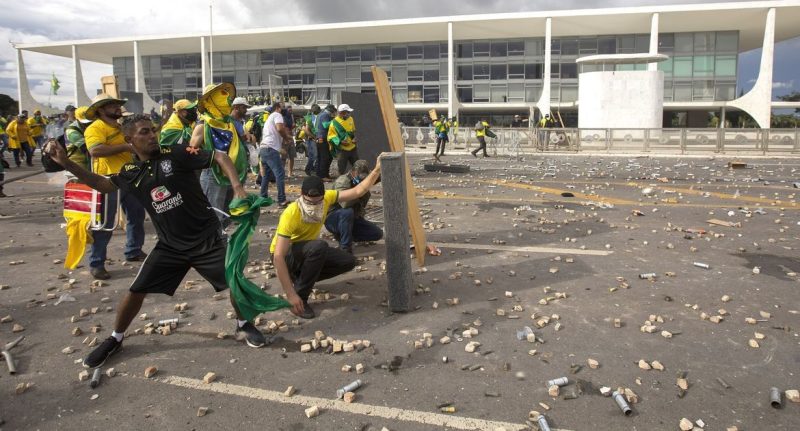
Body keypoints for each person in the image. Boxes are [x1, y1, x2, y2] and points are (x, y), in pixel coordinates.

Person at [45, 114, 269, 369]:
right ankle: (115, 339)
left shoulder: (176, 152)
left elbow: (219, 156)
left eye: (152, 130)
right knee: (135, 291)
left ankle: (243, 324)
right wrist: (65, 162)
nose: (152, 135)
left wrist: (238, 187)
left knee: (235, 282)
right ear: (129, 140)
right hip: (170, 246)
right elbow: (102, 184)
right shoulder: (131, 172)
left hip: (206, 239)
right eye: (144, 132)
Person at [271, 166, 382, 319]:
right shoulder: (291, 213)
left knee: (348, 261)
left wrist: (376, 169)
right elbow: (278, 256)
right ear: (302, 195)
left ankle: (300, 278)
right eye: (309, 202)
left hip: (306, 250)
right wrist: (290, 294)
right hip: (286, 255)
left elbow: (357, 191)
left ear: (324, 196)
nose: (314, 206)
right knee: (319, 247)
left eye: (318, 202)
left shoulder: (328, 197)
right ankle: (300, 298)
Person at [84, 93, 148, 280]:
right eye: (112, 105)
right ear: (101, 110)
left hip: (128, 177)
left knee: (136, 215)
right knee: (105, 223)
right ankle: (97, 262)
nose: (117, 107)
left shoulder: (120, 127)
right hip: (107, 181)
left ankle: (133, 250)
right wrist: (126, 148)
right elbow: (95, 150)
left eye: (117, 104)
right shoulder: (95, 128)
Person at [190, 83, 250, 228]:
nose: (227, 100)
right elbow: (192, 151)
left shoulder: (227, 123)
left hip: (230, 173)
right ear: (212, 100)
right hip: (213, 174)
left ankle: (219, 238)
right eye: (222, 96)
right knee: (213, 214)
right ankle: (212, 244)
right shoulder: (204, 124)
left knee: (227, 213)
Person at [325, 160, 383, 254]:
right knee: (347, 212)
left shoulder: (360, 180)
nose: (363, 179)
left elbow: (376, 177)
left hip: (351, 219)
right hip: (334, 218)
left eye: (365, 177)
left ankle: (345, 235)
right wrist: (360, 190)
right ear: (354, 172)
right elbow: (345, 204)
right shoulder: (343, 181)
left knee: (377, 233)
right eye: (361, 176)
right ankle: (345, 249)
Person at [258, 101, 292, 207]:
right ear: (277, 108)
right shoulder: (277, 115)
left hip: (264, 148)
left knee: (266, 175)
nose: (284, 109)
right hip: (270, 149)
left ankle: (263, 198)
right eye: (283, 107)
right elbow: (279, 128)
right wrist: (286, 138)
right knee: (280, 173)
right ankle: (281, 200)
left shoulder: (269, 118)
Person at [327, 104, 358, 176]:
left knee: (357, 166)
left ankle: (357, 181)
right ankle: (341, 182)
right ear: (342, 113)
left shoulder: (351, 119)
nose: (349, 114)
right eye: (347, 112)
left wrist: (354, 138)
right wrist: (340, 142)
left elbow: (352, 131)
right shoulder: (334, 123)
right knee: (341, 168)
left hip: (353, 148)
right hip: (342, 150)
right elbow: (331, 136)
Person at [64, 106, 93, 171]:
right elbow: (87, 148)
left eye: (90, 122)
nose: (88, 124)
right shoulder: (72, 131)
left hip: (89, 161)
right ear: (77, 119)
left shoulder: (89, 127)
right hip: (78, 164)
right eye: (85, 122)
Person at [314, 104, 336, 181]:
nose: (333, 113)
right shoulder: (325, 115)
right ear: (331, 110)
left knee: (322, 157)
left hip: (319, 138)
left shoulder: (321, 114)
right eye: (333, 112)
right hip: (323, 138)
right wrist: (334, 120)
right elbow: (325, 125)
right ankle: (323, 175)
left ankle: (321, 174)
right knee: (325, 157)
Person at [302, 104, 320, 176]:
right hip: (311, 139)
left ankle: (311, 169)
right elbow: (306, 130)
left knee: (314, 156)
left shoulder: (314, 117)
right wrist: (314, 137)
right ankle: (309, 169)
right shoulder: (310, 118)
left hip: (313, 139)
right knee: (314, 156)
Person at [281, 105, 296, 178]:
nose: (291, 111)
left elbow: (292, 126)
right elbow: (283, 128)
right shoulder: (283, 118)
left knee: (292, 156)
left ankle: (290, 172)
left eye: (291, 110)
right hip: (285, 138)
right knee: (283, 157)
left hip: (290, 137)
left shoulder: (291, 117)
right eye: (289, 110)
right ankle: (282, 172)